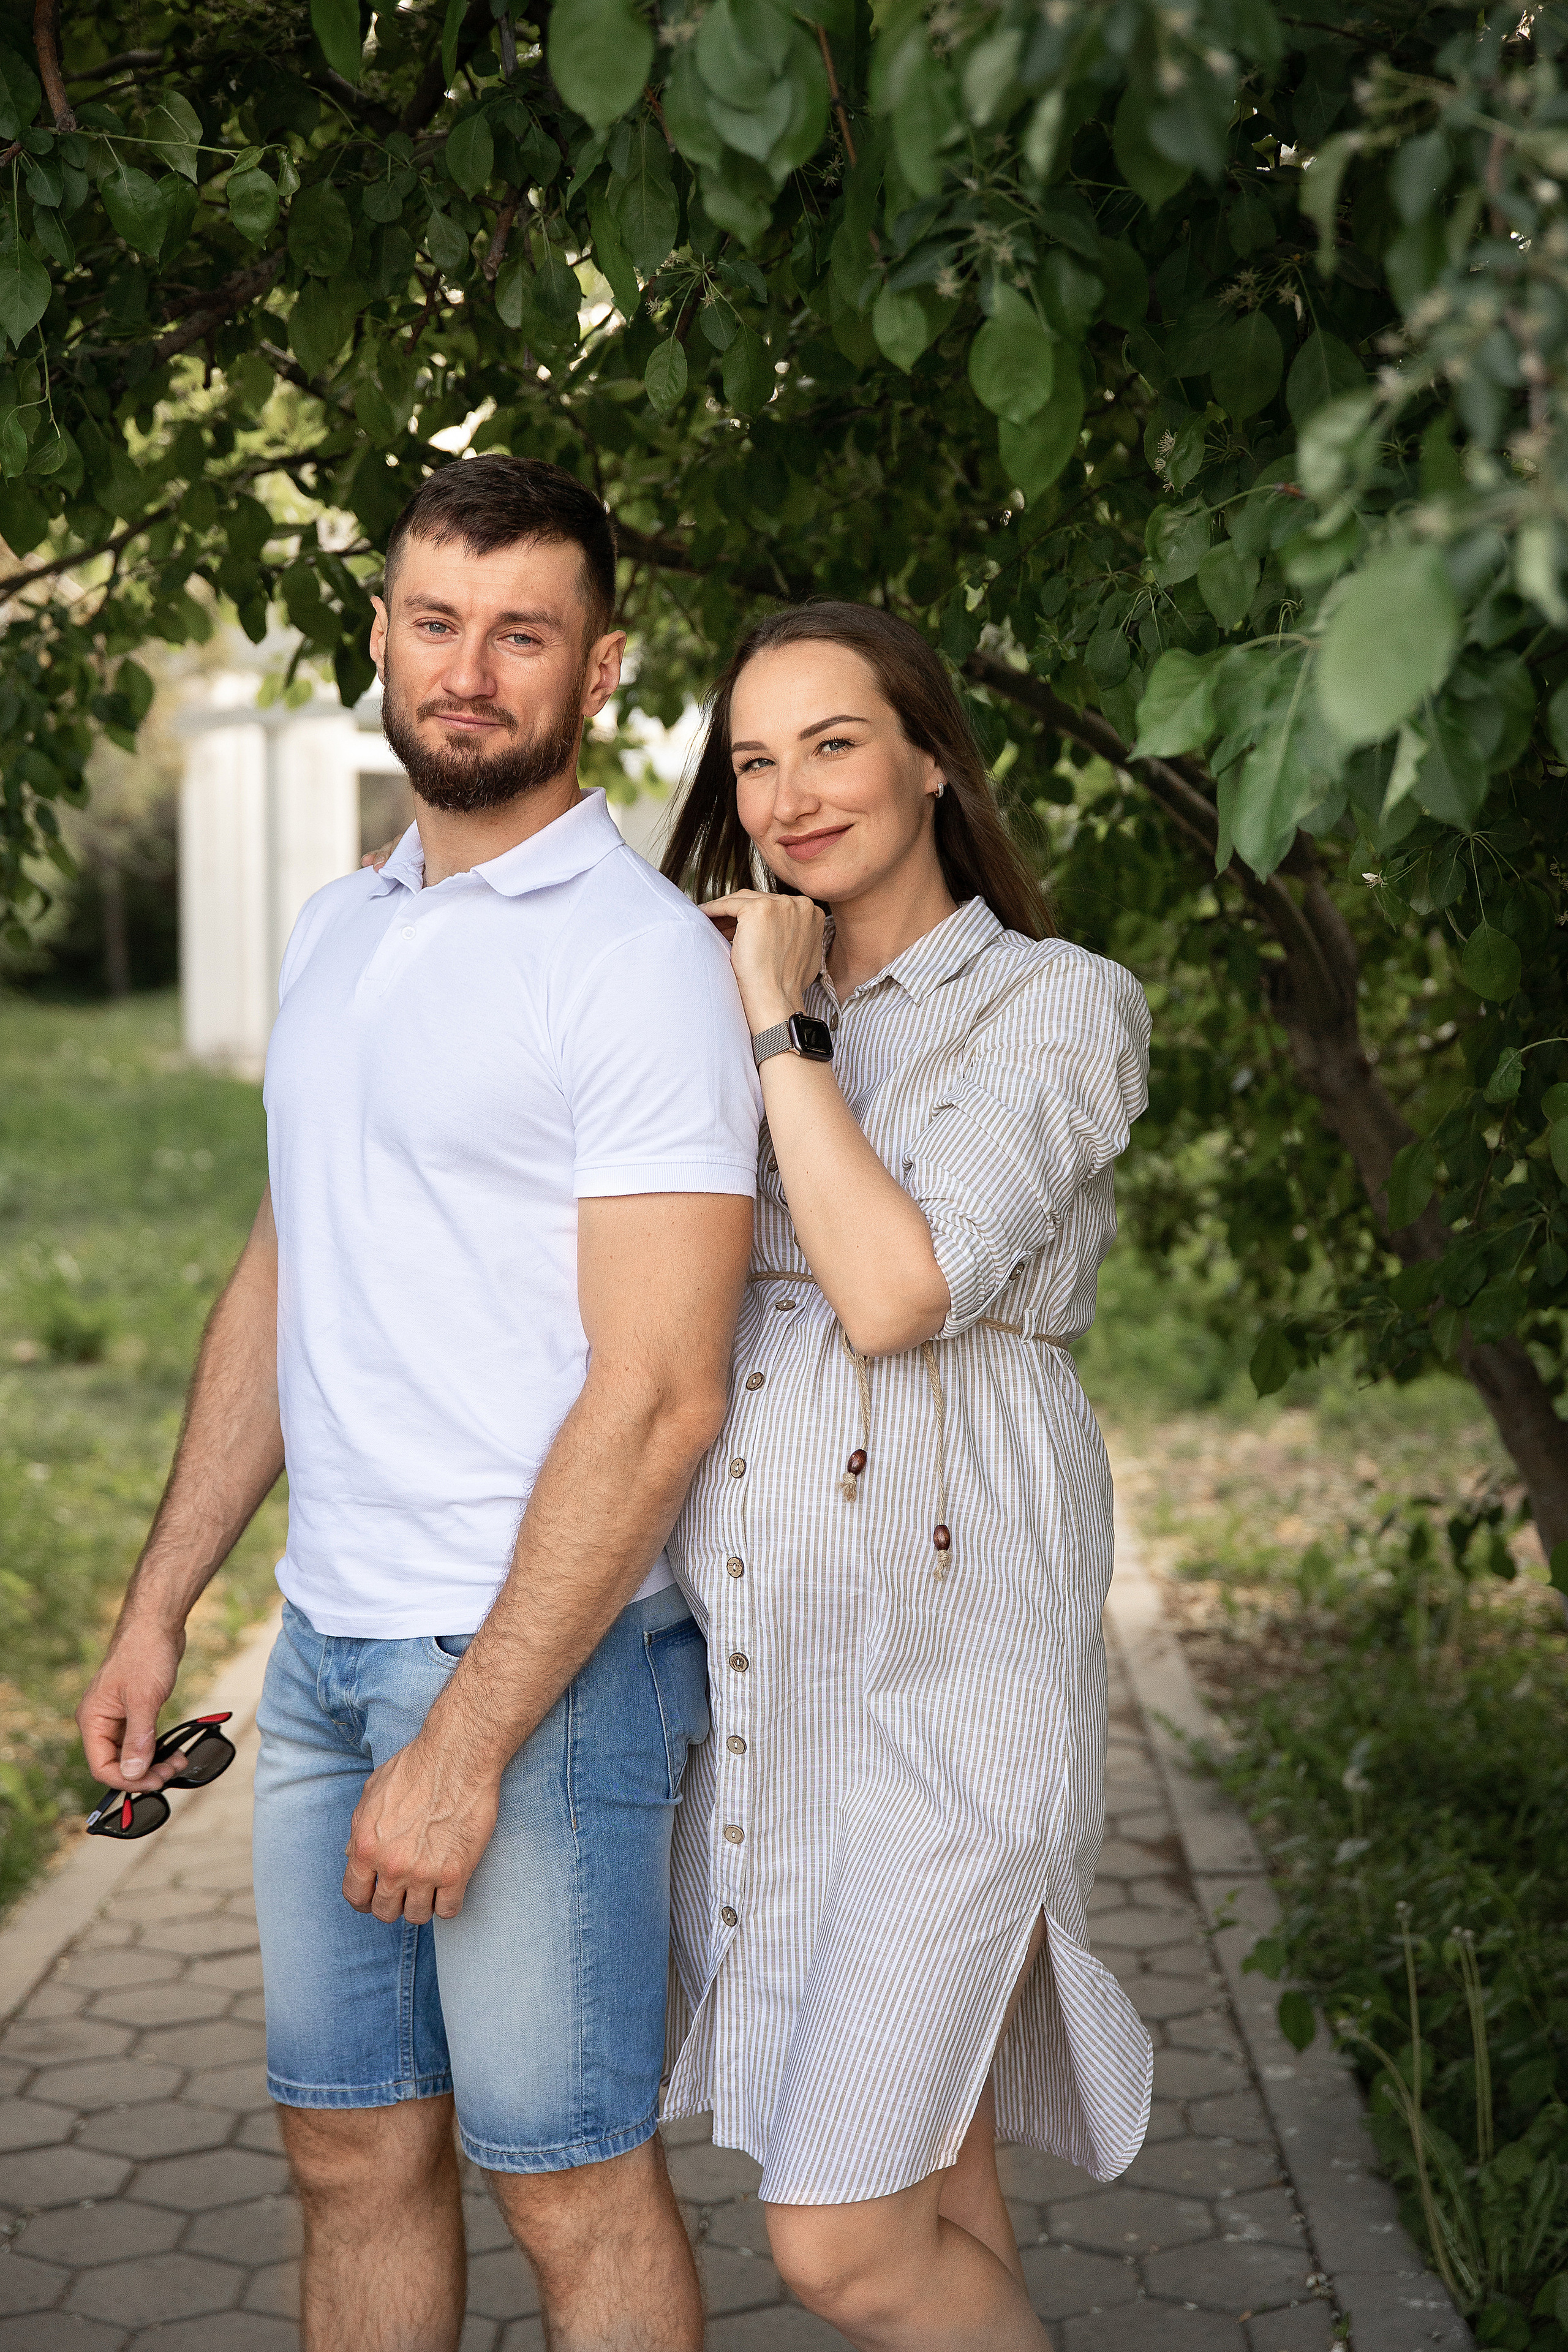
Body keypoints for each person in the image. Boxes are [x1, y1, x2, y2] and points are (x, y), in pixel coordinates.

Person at [75, 456, 762, 2352]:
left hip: (535, 1670)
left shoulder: (633, 966)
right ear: (379, 637)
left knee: (565, 2180)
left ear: (598, 670)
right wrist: (161, 1605)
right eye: (436, 623)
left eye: (521, 633)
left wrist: (463, 1745)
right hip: (320, 1655)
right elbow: (285, 1274)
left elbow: (663, 1393)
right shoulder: (338, 925)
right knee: (349, 2157)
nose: (469, 671)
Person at [656, 602, 1154, 2350]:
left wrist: (784, 1031)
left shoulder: (1055, 1003)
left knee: (840, 2245)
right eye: (753, 759)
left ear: (934, 755)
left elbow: (893, 1292)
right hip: (776, 1698)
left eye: (835, 742)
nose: (790, 794)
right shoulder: (714, 998)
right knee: (943, 2204)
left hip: (957, 1691)